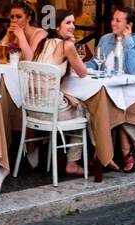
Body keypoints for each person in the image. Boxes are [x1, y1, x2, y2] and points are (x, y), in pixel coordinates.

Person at [32, 11, 92, 176]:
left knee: (75, 104)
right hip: (50, 109)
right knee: (84, 110)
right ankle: (73, 162)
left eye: (73, 23)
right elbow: (83, 72)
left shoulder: (43, 42)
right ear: (57, 26)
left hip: (32, 109)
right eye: (68, 23)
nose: (73, 26)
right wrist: (71, 45)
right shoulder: (66, 45)